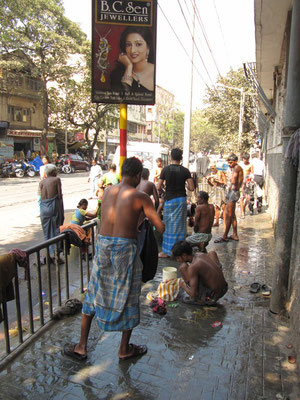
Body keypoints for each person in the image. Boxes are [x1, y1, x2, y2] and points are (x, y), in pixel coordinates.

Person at [63, 157, 165, 361]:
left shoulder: (108, 191)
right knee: (128, 294)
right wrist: (148, 217)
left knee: (94, 291)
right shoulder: (141, 196)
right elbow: (159, 227)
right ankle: (124, 349)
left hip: (103, 244)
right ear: (137, 175)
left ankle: (82, 346)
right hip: (125, 248)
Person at [157, 148, 195, 258]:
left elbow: (158, 186)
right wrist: (186, 185)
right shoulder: (185, 170)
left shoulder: (165, 169)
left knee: (168, 225)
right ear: (181, 158)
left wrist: (165, 189)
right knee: (180, 226)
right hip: (181, 200)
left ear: (171, 157)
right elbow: (191, 188)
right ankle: (179, 252)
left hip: (169, 200)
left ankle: (167, 251)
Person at [172, 241, 228, 305]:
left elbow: (193, 294)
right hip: (224, 288)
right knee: (212, 253)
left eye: (178, 258)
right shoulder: (200, 254)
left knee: (183, 268)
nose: (177, 260)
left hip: (213, 296)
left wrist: (182, 284)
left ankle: (200, 300)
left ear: (184, 255)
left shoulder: (193, 267)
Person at [110, 26, 154, 93]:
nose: (132, 50)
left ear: (148, 47)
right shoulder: (116, 75)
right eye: (128, 45)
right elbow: (123, 97)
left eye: (138, 44)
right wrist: (129, 67)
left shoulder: (156, 72)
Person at [214, 153, 243, 243]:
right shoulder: (236, 168)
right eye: (229, 163)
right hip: (233, 192)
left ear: (235, 161)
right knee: (232, 214)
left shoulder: (236, 168)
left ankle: (225, 236)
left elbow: (233, 180)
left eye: (231, 163)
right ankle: (234, 234)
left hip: (234, 192)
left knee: (229, 215)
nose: (230, 165)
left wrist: (229, 176)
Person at [39, 164, 64, 264]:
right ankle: (57, 257)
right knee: (56, 230)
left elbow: (41, 196)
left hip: (43, 208)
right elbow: (59, 194)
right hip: (53, 207)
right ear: (53, 172)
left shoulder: (42, 182)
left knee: (46, 233)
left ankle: (48, 256)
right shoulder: (56, 180)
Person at [239, 153, 253, 218]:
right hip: (241, 182)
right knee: (241, 197)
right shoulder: (240, 165)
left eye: (247, 159)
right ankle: (242, 213)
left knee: (248, 198)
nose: (246, 160)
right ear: (243, 159)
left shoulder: (250, 165)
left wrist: (250, 178)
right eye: (244, 159)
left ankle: (244, 206)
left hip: (248, 182)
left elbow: (252, 173)